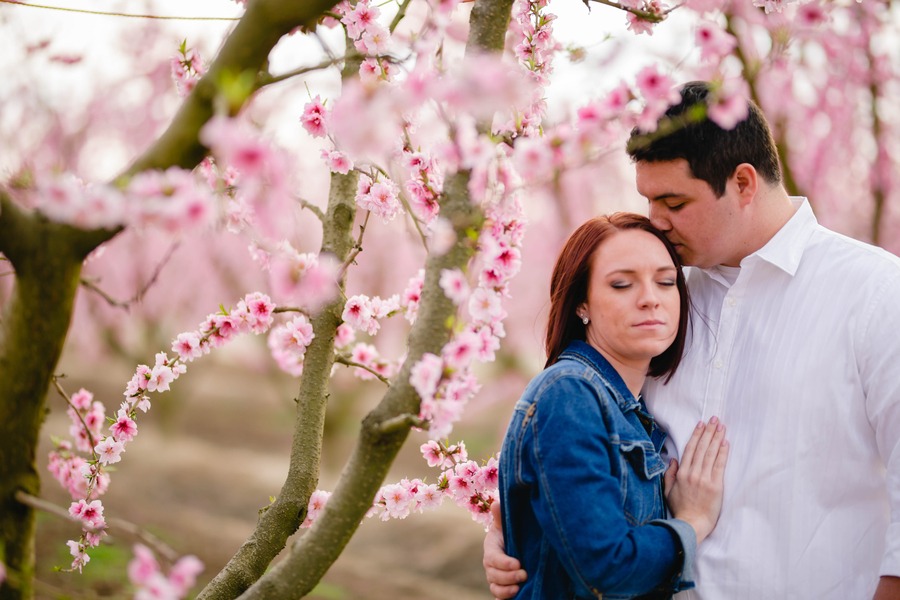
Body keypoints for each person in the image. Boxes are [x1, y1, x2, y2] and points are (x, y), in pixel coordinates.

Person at [485, 81, 900, 599]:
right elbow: (579, 442)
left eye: (674, 201)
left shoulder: (877, 293)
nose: (657, 220)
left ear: (744, 183)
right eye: (649, 200)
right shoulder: (662, 303)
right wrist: (518, 531)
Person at [498, 212, 729, 598]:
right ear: (581, 305)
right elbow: (607, 569)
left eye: (666, 282)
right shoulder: (569, 393)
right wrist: (691, 522)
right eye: (622, 284)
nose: (650, 299)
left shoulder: (632, 406)